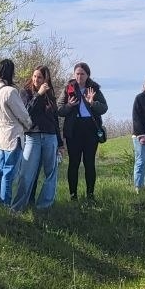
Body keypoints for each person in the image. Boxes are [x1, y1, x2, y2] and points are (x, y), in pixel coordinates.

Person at [10, 65, 63, 213]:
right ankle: (17, 207)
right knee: (26, 174)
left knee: (51, 173)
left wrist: (60, 143)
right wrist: (38, 95)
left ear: (46, 79)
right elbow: (26, 112)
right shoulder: (25, 92)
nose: (36, 79)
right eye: (34, 76)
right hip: (33, 136)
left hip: (50, 136)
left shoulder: (50, 94)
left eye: (39, 77)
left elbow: (55, 119)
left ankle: (44, 206)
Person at [57, 61, 108, 203]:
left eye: (82, 74)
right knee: (73, 163)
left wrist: (92, 103)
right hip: (74, 129)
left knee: (89, 163)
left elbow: (104, 108)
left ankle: (90, 195)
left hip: (90, 129)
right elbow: (59, 110)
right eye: (77, 74)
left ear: (88, 75)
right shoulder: (68, 88)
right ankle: (73, 196)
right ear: (74, 74)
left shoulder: (94, 88)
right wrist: (69, 105)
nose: (79, 77)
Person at [0, 58, 32, 209]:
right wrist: (28, 125)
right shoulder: (10, 92)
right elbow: (23, 115)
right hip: (12, 137)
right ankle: (5, 205)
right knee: (8, 174)